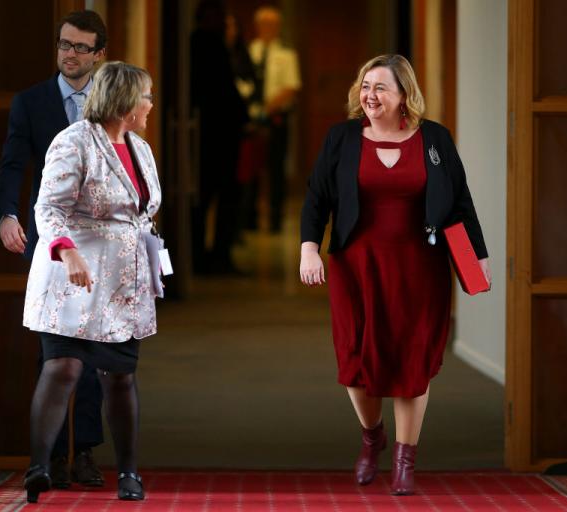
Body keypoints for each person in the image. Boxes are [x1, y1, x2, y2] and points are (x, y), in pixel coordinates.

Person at [299, 54, 491, 495]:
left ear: (405, 93)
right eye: (365, 86)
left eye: (381, 87)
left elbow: (460, 203)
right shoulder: (342, 139)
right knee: (355, 359)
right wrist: (310, 248)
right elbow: (316, 199)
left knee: (412, 359)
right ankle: (373, 437)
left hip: (419, 269)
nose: (370, 95)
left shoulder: (434, 140)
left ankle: (405, 459)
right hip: (356, 266)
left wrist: (476, 257)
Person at [21, 61, 161, 503]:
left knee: (119, 376)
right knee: (63, 367)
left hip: (121, 285)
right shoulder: (74, 141)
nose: (150, 104)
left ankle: (129, 474)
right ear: (125, 101)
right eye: (146, 95)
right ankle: (39, 467)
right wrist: (66, 249)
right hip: (74, 279)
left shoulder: (139, 147)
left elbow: (143, 209)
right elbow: (48, 208)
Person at [0, 10, 107, 489]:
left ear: (99, 55)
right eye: (64, 44)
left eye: (81, 47)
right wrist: (6, 215)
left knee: (94, 352)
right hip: (49, 242)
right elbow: (12, 165)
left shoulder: (109, 102)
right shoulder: (30, 102)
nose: (70, 54)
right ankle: (50, 456)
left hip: (99, 244)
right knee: (53, 350)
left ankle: (85, 452)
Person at [190, 0, 249, 274]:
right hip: (217, 134)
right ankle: (215, 257)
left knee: (206, 196)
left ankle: (204, 256)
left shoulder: (206, 44)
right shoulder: (208, 45)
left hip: (212, 133)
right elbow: (223, 92)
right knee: (220, 196)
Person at [248, 5, 301, 232]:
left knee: (276, 168)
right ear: (257, 26)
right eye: (264, 24)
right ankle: (248, 219)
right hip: (250, 118)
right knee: (250, 168)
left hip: (276, 118)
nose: (268, 28)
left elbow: (291, 87)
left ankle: (275, 220)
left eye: (272, 24)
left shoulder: (286, 54)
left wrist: (267, 108)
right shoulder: (251, 50)